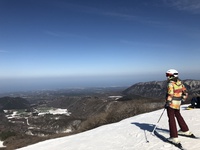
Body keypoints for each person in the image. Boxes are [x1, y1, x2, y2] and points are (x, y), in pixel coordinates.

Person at [165, 69, 192, 144]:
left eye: (168, 75)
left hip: (172, 104)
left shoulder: (170, 84)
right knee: (178, 115)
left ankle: (174, 137)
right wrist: (183, 99)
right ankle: (185, 130)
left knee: (171, 118)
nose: (167, 77)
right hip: (178, 103)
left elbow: (170, 94)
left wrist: (168, 102)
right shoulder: (179, 82)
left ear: (172, 76)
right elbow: (185, 92)